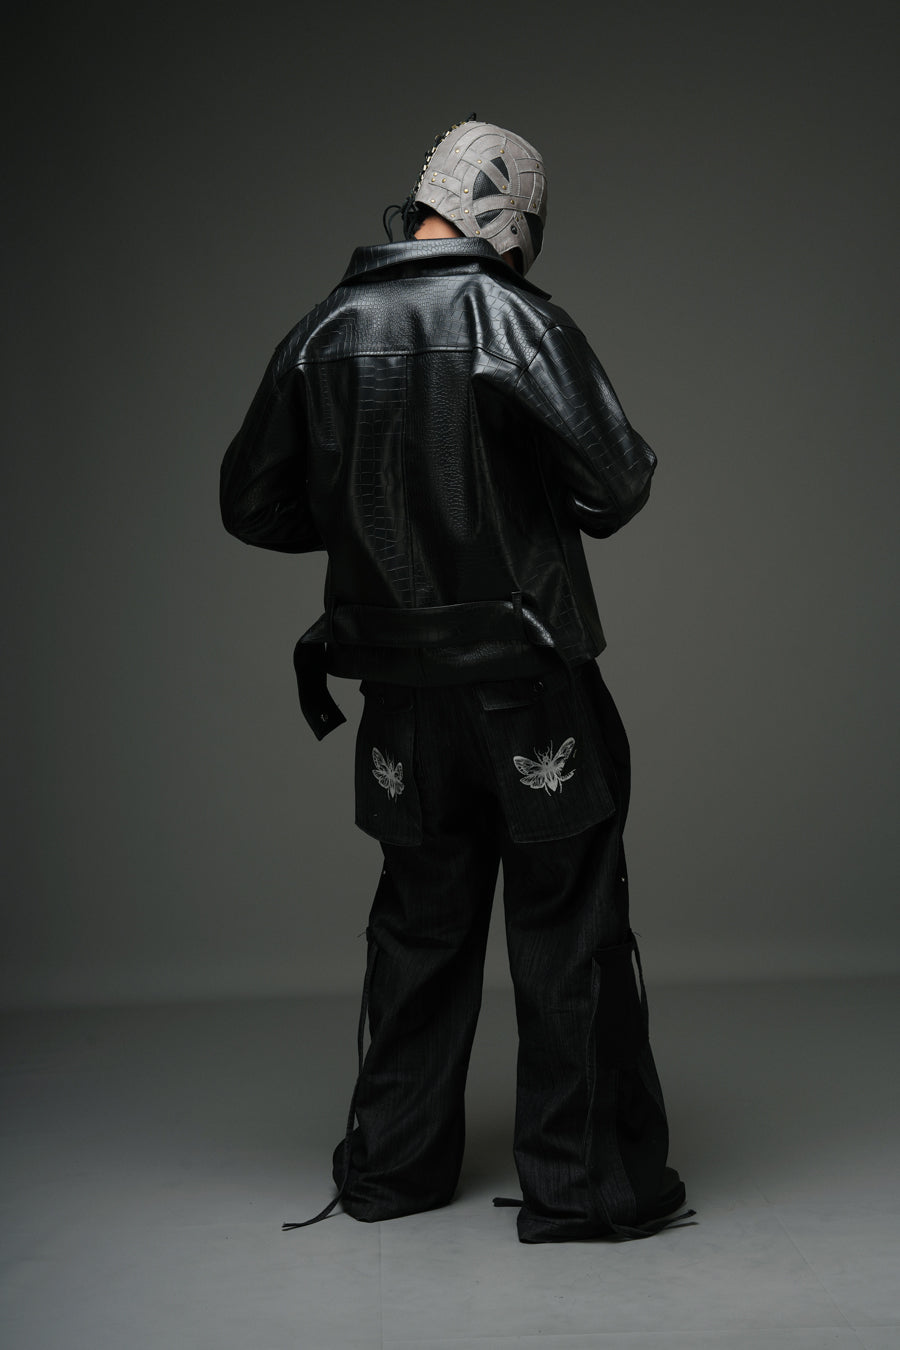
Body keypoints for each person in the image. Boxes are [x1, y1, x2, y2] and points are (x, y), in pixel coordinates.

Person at [220, 117, 693, 1243]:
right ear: (513, 220)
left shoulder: (322, 331)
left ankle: (391, 1170)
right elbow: (619, 482)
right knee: (567, 925)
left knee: (418, 927)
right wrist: (510, 499)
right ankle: (582, 1190)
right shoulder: (514, 319)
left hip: (398, 697)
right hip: (527, 688)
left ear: (423, 198)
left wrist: (371, 533)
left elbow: (251, 503)